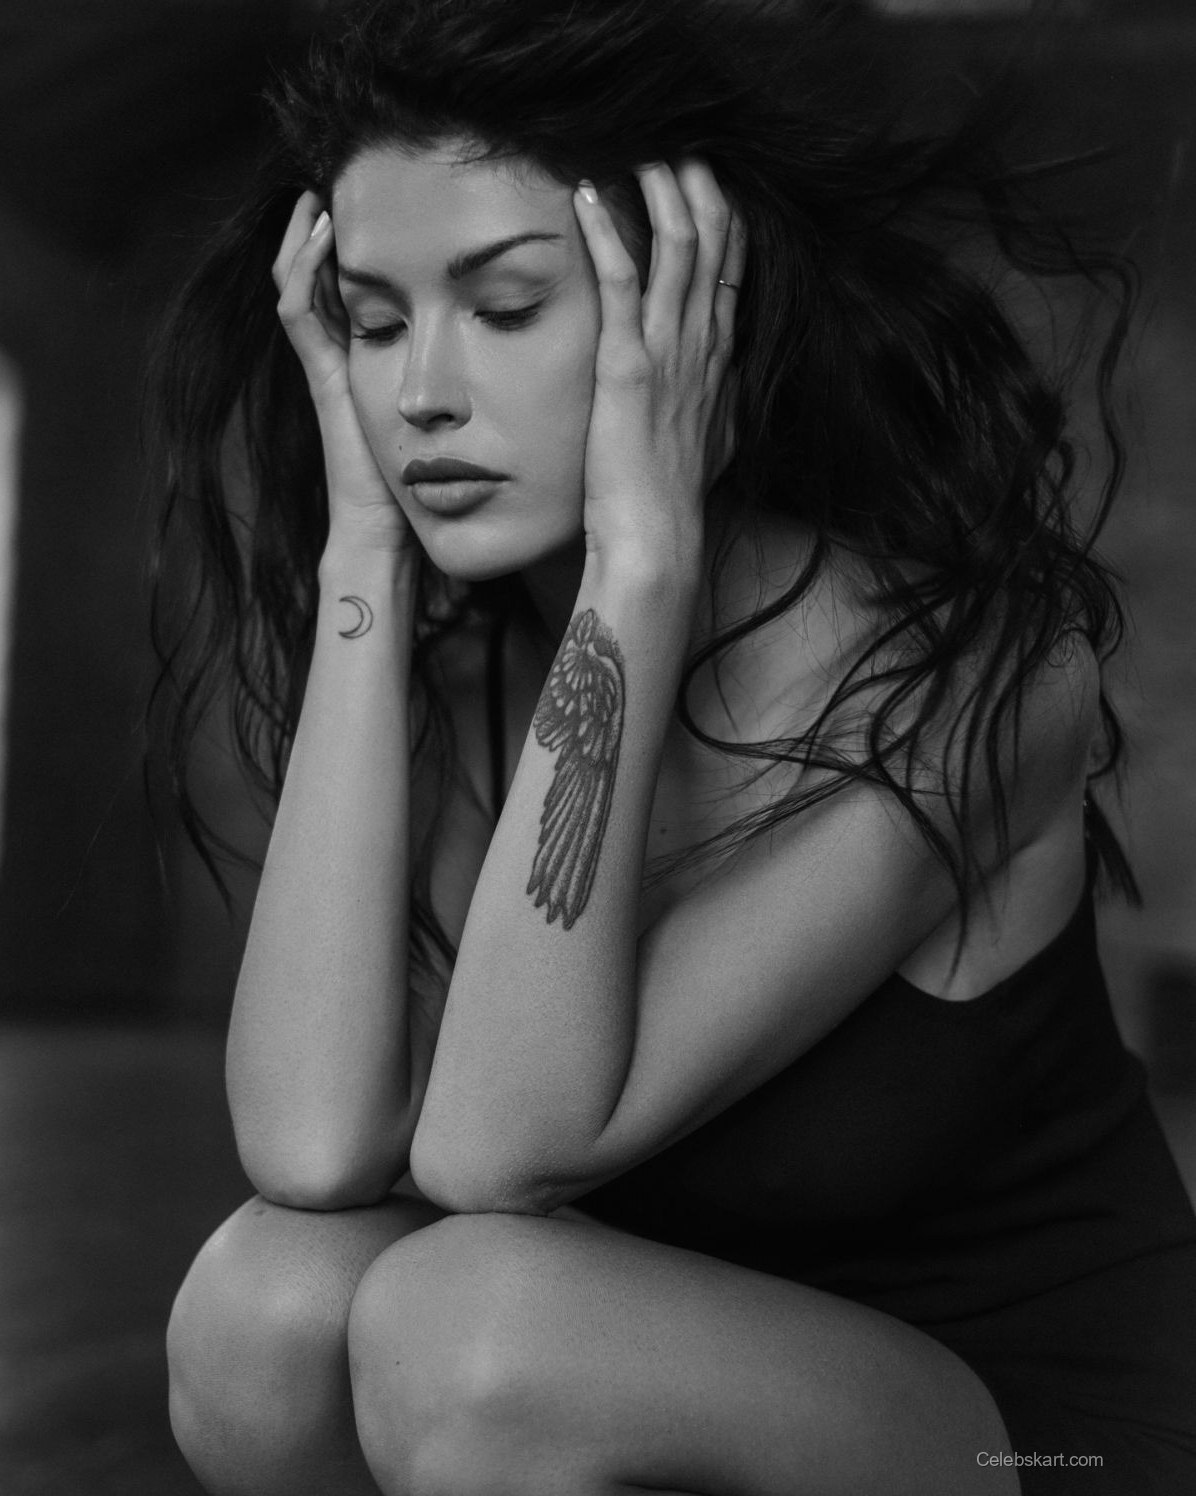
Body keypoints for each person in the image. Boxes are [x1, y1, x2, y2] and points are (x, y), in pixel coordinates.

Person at [155, 0, 1196, 1491]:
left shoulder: (980, 676)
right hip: (614, 1381)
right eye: (374, 326)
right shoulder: (467, 676)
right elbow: (312, 1150)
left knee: (464, 1333)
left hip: (1028, 1441)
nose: (422, 392)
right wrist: (360, 556)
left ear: (686, 318)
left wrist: (644, 560)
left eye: (506, 308)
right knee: (265, 1311)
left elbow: (497, 1152)